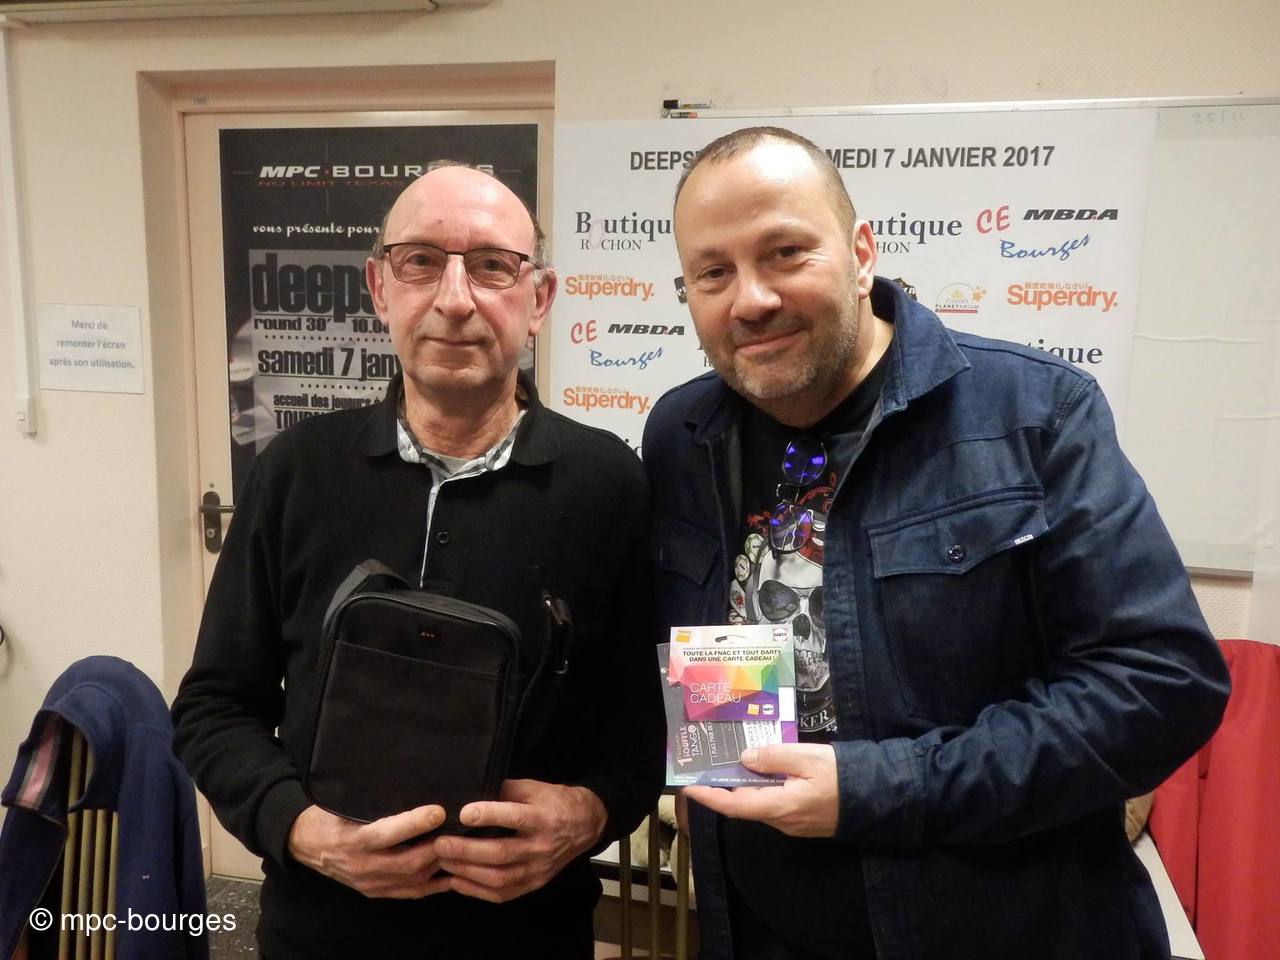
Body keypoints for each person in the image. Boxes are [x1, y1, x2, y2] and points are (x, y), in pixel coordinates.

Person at [642, 127, 1231, 960]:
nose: (751, 299)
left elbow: (1162, 686)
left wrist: (878, 787)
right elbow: (698, 673)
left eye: (785, 253)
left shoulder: (1033, 413)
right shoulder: (683, 432)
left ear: (861, 254)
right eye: (713, 272)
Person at [172, 163, 665, 958]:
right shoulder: (296, 472)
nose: (454, 299)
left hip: (527, 938)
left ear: (539, 299)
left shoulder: (609, 487)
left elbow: (644, 726)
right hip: (319, 935)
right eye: (421, 262)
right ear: (379, 287)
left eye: (493, 265)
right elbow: (213, 707)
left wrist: (592, 813)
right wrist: (299, 829)